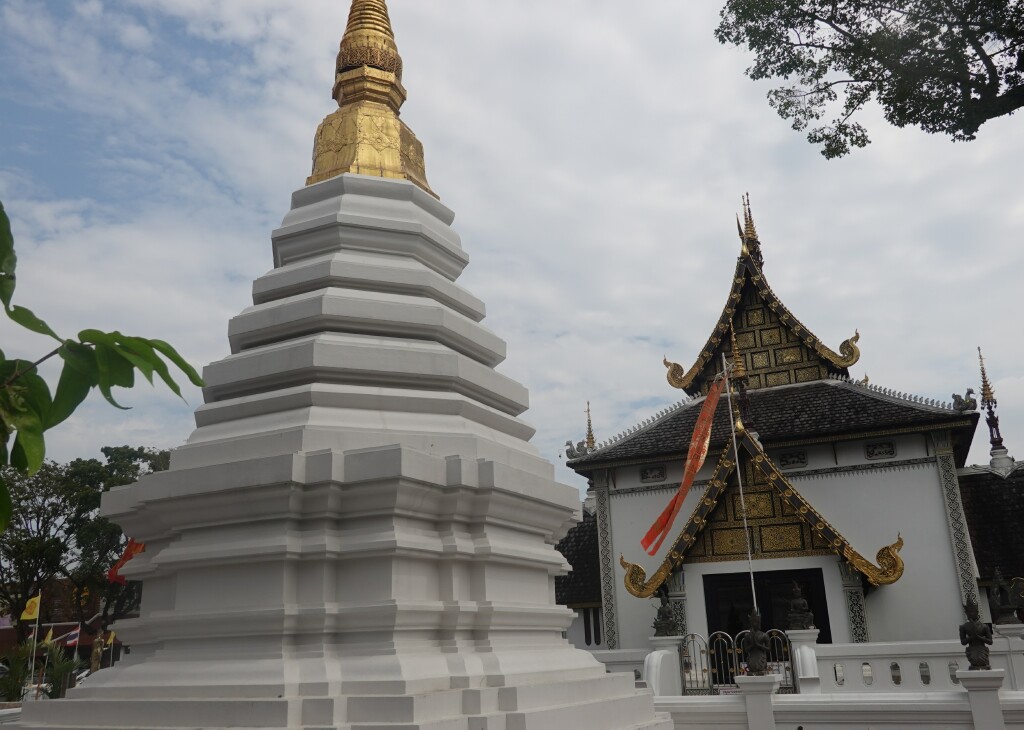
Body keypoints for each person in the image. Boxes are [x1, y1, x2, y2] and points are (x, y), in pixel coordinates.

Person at [959, 599, 993, 670]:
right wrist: (971, 637)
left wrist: (979, 637)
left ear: (977, 612)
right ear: (966, 613)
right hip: (972, 649)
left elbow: (990, 641)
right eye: (969, 612)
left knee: (983, 663)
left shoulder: (984, 626)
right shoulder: (964, 627)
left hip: (982, 648)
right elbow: (963, 642)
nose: (971, 614)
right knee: (974, 662)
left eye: (973, 612)